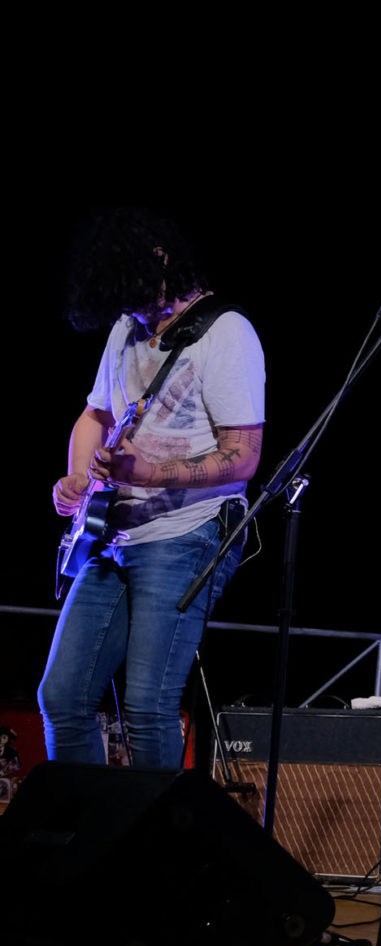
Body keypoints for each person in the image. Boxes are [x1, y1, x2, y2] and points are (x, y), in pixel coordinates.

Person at [42, 208, 264, 768]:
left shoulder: (227, 333)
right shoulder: (125, 328)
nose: (136, 309)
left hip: (187, 532)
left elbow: (244, 459)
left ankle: (153, 847)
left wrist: (152, 474)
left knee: (146, 706)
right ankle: (85, 834)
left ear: (161, 260)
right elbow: (93, 416)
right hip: (114, 535)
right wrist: (76, 477)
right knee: (62, 698)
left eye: (140, 290)